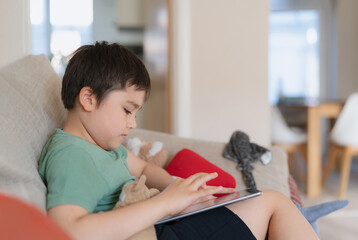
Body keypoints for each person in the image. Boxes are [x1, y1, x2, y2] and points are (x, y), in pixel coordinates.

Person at [38, 41, 319, 240]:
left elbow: (146, 169)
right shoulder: (71, 154)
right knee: (274, 204)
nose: (133, 123)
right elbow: (69, 231)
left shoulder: (103, 148)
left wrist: (179, 188)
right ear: (88, 98)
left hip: (162, 225)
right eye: (127, 110)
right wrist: (166, 203)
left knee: (272, 203)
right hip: (154, 233)